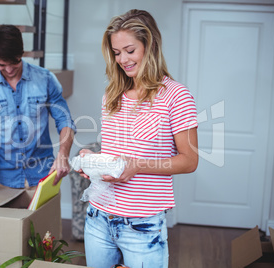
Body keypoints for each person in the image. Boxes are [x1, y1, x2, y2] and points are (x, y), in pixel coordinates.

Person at [76, 9, 198, 268]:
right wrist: (94, 163)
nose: (122, 59)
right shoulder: (112, 94)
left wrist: (137, 165)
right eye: (116, 52)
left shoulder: (176, 96)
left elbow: (189, 161)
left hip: (142, 224)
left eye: (130, 50)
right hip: (98, 216)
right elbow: (116, 154)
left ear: (150, 45)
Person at [0, 25, 76, 199]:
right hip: (5, 182)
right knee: (8, 228)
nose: (9, 70)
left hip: (44, 178)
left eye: (15, 63)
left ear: (22, 54)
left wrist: (63, 154)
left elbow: (65, 121)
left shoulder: (46, 79)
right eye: (2, 65)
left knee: (45, 227)